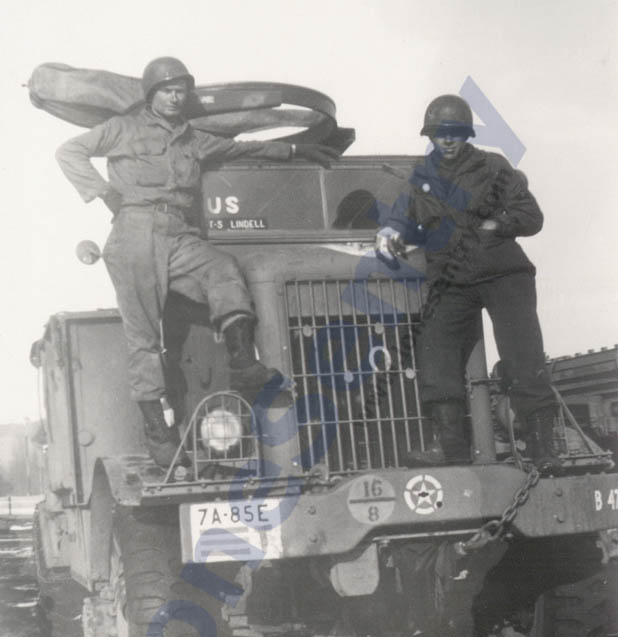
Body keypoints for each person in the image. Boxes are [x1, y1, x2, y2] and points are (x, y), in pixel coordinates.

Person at [56, 57, 337, 467]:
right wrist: (103, 192)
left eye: (181, 90)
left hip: (179, 233)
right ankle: (159, 433)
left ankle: (243, 363)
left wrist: (294, 149)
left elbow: (243, 147)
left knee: (222, 268)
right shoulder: (124, 128)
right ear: (152, 95)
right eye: (167, 90)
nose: (175, 97)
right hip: (135, 233)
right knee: (145, 340)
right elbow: (70, 151)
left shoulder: (192, 138)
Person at [376, 94, 562, 474]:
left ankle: (545, 449)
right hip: (453, 279)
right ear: (430, 135)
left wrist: (497, 225)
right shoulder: (420, 178)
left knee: (523, 355)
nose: (447, 140)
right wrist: (390, 232)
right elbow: (400, 220)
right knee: (434, 349)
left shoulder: (493, 166)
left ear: (466, 134)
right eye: (440, 133)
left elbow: (531, 215)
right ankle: (452, 448)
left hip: (502, 272)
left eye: (455, 132)